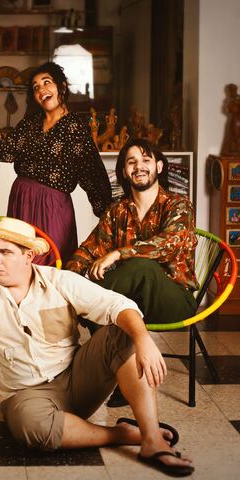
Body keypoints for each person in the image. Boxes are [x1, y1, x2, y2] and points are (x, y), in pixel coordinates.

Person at [0, 217, 195, 478]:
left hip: (76, 380)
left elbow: (118, 305)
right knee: (33, 430)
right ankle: (120, 434)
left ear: (28, 256)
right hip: (24, 395)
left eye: (5, 252)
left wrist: (143, 339)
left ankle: (152, 439)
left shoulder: (60, 281)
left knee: (123, 333)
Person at [66, 138, 198, 407]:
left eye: (146, 160)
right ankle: (120, 372)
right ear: (125, 172)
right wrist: (67, 280)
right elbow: (89, 250)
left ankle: (93, 320)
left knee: (140, 266)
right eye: (131, 162)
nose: (139, 166)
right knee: (88, 288)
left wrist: (118, 253)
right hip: (131, 303)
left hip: (173, 300)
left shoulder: (179, 205)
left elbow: (168, 244)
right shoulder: (118, 211)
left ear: (159, 166)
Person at [0, 61, 112, 262]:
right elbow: (0, 151)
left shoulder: (75, 128)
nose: (41, 90)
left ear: (62, 87)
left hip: (53, 206)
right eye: (36, 87)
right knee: (19, 263)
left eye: (47, 82)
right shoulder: (30, 123)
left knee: (51, 263)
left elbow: (93, 174)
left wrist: (110, 216)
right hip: (21, 200)